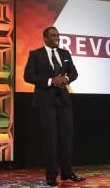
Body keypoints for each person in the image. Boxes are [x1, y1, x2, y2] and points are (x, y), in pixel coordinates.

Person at [24, 26, 86, 187]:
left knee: (67, 136)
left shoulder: (65, 54)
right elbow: (28, 76)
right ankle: (51, 175)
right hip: (46, 100)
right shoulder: (35, 54)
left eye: (58, 35)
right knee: (50, 138)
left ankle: (67, 172)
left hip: (63, 100)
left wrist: (65, 78)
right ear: (45, 38)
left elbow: (74, 73)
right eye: (53, 36)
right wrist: (51, 81)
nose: (56, 38)